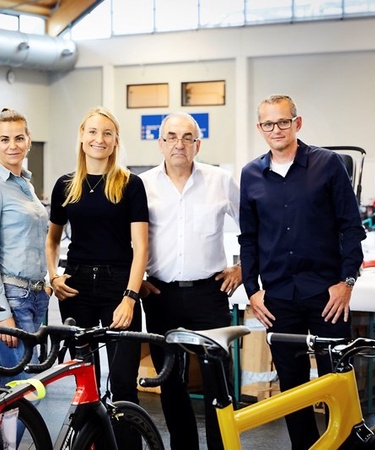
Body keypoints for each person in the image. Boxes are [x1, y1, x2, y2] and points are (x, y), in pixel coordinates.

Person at [239, 94, 366, 450]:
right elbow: (248, 238)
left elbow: (351, 227)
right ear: (259, 128)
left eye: (283, 121)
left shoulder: (327, 164)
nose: (275, 129)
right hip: (279, 298)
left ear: (298, 123)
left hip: (328, 296)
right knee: (292, 389)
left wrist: (347, 283)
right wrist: (252, 289)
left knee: (337, 381)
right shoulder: (251, 174)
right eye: (268, 123)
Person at [138, 112, 242, 450]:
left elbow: (253, 229)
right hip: (159, 295)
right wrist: (135, 279)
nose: (178, 144)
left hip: (209, 294)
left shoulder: (221, 180)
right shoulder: (141, 184)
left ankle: (219, 446)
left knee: (217, 381)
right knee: (170, 381)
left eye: (186, 137)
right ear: (160, 143)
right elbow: (128, 238)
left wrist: (242, 269)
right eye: (171, 137)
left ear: (198, 144)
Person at [45, 106, 148, 404]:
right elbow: (52, 240)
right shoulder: (65, 185)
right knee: (83, 381)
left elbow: (141, 246)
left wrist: (130, 297)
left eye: (107, 133)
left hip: (119, 286)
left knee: (123, 383)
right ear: (81, 136)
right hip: (76, 287)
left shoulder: (130, 184)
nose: (98, 139)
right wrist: (53, 275)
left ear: (116, 140)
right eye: (92, 131)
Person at [0, 108, 51, 388]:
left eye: (19, 138)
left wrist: (47, 283)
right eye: (4, 139)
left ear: (29, 140)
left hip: (35, 296)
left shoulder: (24, 184)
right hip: (12, 299)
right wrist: (1, 312)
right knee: (27, 391)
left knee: (6, 391)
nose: (12, 145)